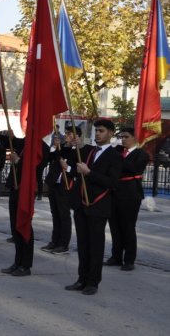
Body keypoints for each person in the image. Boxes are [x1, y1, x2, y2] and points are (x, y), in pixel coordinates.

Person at [65, 119, 122, 296]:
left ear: (111, 134)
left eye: (102, 131)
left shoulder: (115, 156)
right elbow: (76, 168)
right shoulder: (90, 151)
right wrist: (74, 148)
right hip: (82, 204)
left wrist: (89, 173)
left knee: (95, 245)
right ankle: (81, 279)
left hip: (99, 205)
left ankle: (93, 282)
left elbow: (112, 182)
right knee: (82, 244)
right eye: (96, 130)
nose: (98, 133)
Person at [105, 127, 149, 271]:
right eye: (122, 137)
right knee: (114, 226)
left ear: (135, 138)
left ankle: (129, 259)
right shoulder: (118, 152)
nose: (123, 139)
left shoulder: (141, 154)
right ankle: (116, 256)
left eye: (126, 137)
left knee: (128, 227)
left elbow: (134, 168)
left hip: (130, 194)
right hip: (115, 192)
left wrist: (119, 157)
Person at [42, 127, 81, 255]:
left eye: (69, 134)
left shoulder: (79, 151)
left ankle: (64, 244)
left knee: (64, 215)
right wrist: (54, 146)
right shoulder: (62, 148)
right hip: (54, 184)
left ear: (77, 136)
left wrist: (68, 167)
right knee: (55, 214)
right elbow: (50, 158)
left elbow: (78, 168)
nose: (67, 136)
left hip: (66, 185)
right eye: (67, 133)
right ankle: (55, 241)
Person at [0, 136, 34, 277]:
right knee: (15, 227)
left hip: (26, 191)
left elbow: (35, 167)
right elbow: (10, 141)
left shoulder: (39, 146)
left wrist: (19, 161)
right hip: (15, 188)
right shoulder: (25, 143)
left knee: (24, 226)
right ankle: (17, 262)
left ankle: (25, 265)